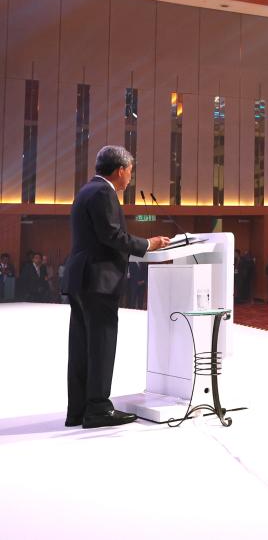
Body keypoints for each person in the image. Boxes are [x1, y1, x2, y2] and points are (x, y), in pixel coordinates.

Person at [64, 146, 169, 429]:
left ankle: (78, 410)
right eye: (130, 172)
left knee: (82, 348)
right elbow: (112, 235)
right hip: (98, 280)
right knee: (101, 344)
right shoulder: (104, 192)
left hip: (81, 279)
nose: (130, 178)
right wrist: (148, 244)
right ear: (120, 170)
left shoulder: (86, 190)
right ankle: (98, 409)